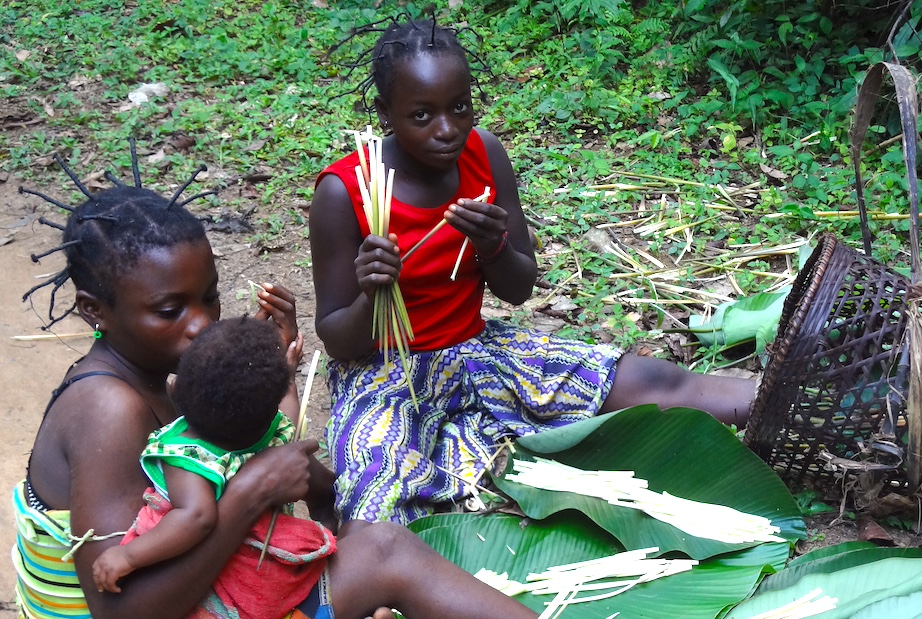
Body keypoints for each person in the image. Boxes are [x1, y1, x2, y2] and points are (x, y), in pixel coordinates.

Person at [13, 168, 682, 619]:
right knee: (384, 552)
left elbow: (223, 470)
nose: (201, 324)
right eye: (170, 310)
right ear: (96, 311)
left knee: (347, 522)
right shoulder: (107, 411)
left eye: (208, 298)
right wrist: (248, 499)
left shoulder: (149, 377)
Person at [309, 18, 758, 527]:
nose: (447, 129)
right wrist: (374, 294)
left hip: (478, 352)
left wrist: (492, 245)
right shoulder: (346, 192)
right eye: (421, 115)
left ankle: (795, 406)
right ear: (385, 113)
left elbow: (518, 288)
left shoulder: (483, 153)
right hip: (386, 372)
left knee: (651, 381)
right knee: (378, 501)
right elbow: (337, 340)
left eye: (459, 107)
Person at [91, 315, 338, 619]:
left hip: (233, 590)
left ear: (176, 392)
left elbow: (197, 518)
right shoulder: (272, 431)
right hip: (277, 575)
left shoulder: (187, 454)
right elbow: (288, 414)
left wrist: (130, 556)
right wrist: (285, 377)